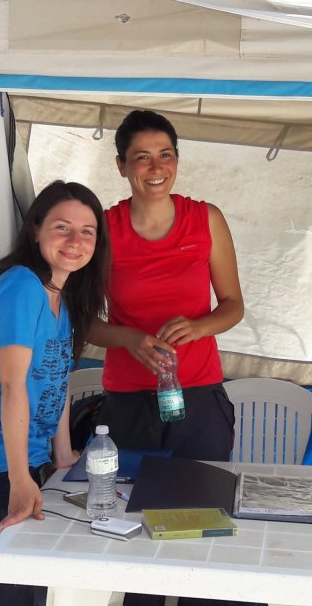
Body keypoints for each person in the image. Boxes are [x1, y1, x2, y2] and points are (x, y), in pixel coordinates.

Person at [0, 180, 109, 606]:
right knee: (4, 596)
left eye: (87, 231)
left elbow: (57, 382)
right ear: (35, 230)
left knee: (27, 594)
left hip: (28, 468)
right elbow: (12, 386)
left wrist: (63, 457)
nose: (75, 241)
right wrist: (19, 479)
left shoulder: (63, 299)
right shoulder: (21, 286)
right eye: (62, 227)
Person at [89, 110, 245, 462]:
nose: (157, 168)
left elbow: (233, 304)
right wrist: (129, 339)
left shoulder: (206, 219)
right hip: (129, 399)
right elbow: (84, 322)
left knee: (200, 496)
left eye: (165, 155)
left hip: (200, 394)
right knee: (124, 496)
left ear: (176, 159)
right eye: (142, 157)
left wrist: (199, 327)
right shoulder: (104, 230)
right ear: (121, 165)